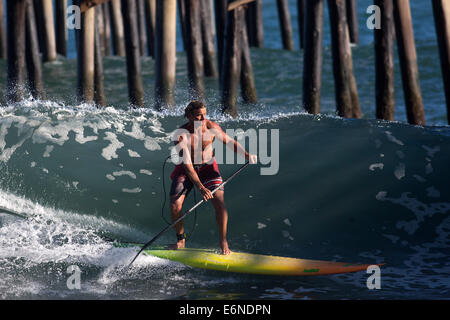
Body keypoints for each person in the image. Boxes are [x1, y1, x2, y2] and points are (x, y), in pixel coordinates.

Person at [169, 100, 257, 255]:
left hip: (208, 168)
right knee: (175, 205)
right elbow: (188, 165)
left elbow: (230, 142)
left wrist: (247, 155)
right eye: (198, 116)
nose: (203, 119)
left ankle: (223, 241)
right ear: (189, 116)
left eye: (204, 114)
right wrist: (201, 188)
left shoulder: (212, 127)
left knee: (219, 203)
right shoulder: (181, 135)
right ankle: (180, 240)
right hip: (186, 169)